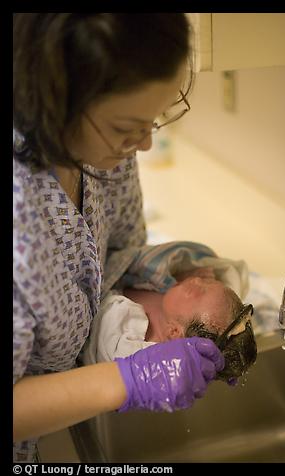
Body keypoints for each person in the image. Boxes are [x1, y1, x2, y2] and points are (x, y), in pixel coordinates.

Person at [13, 14, 225, 462]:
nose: (144, 144)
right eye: (125, 126)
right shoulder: (20, 205)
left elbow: (115, 253)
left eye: (153, 120)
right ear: (57, 98)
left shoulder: (105, 153)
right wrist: (127, 380)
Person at [83, 268, 257, 384]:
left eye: (196, 290)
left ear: (175, 331)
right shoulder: (173, 304)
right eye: (207, 282)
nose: (196, 279)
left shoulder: (138, 350)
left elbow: (118, 369)